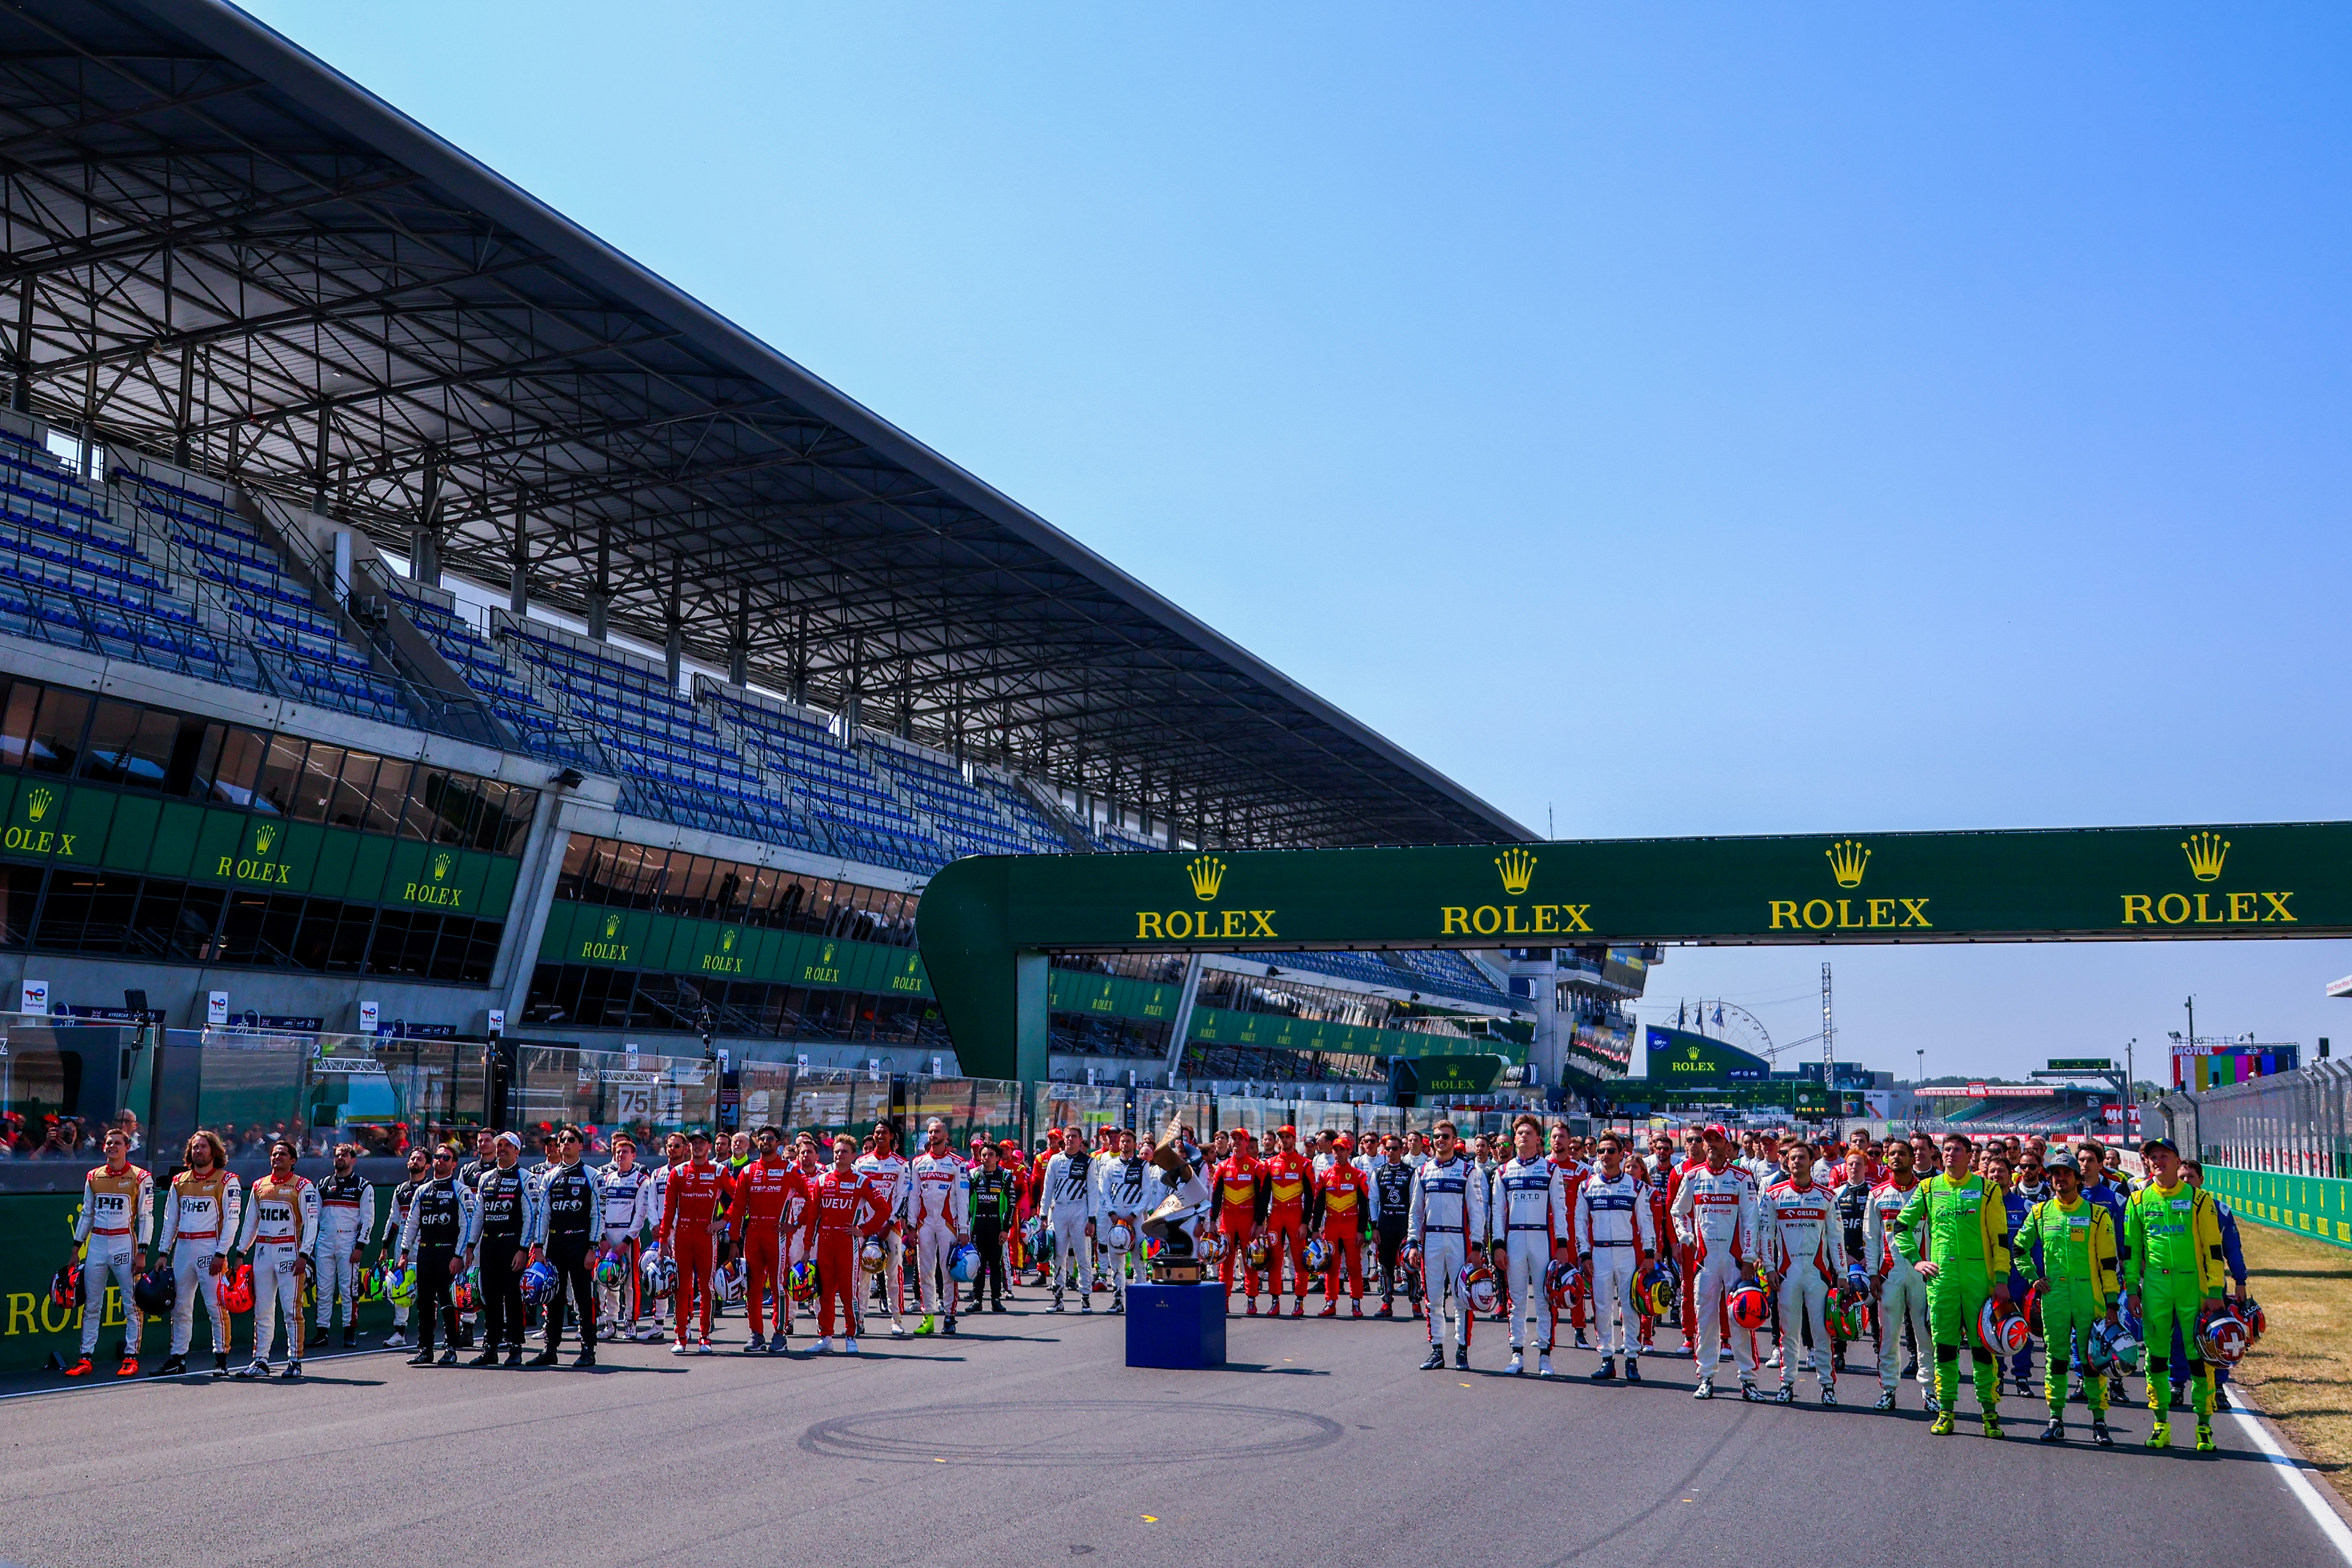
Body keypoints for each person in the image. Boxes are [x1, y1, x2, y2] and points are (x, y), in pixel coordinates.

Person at [1891, 1131, 2012, 1438]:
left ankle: (1990, 1412)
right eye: (1946, 1149)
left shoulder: (1987, 1189)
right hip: (1942, 1281)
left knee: (1983, 1350)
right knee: (1944, 1349)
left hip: (1979, 1283)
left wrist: (2001, 1280)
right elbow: (1901, 1226)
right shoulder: (1929, 1188)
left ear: (1970, 1156)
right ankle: (1946, 1411)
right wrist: (1916, 1260)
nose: (1950, 1154)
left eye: (1957, 1149)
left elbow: (2000, 1239)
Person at [2125, 1138, 2227, 1454]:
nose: (2158, 1161)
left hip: (2192, 1286)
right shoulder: (2138, 1200)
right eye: (2152, 1157)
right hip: (2155, 1286)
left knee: (2199, 1356)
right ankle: (2161, 1424)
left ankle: (2204, 1426)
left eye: (2164, 1156)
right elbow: (2132, 1250)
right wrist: (2131, 1289)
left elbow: (2213, 1248)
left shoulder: (2199, 1199)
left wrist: (2215, 1290)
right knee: (2156, 1357)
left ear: (2178, 1161)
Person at [2013, 1150, 2117, 1446]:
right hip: (2055, 1297)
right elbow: (2019, 1247)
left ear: (2077, 1178)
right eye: (2056, 1174)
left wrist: (2112, 1303)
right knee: (2056, 1360)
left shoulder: (2098, 1214)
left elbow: (2109, 1263)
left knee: (2093, 1361)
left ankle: (2100, 1421)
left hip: (2089, 1298)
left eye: (2066, 1173)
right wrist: (2033, 1278)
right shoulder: (2040, 1213)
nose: (2060, 1178)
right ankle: (2055, 1419)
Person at [1670, 1125, 1760, 1401]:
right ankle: (1706, 1377)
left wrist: (1748, 1258)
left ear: (1727, 1145)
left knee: (1741, 1319)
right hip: (1705, 1261)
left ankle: (1748, 1380)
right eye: (1707, 1139)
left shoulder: (1742, 1177)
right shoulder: (1692, 1176)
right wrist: (1686, 1236)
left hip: (1735, 1261)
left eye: (1715, 1139)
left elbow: (1752, 1219)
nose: (1710, 1144)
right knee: (1705, 1319)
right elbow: (1677, 1211)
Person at [61, 1128, 153, 1379]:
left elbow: (146, 1217)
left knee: (131, 1302)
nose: (112, 1146)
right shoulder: (93, 1176)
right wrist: (76, 1248)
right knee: (92, 1303)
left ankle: (131, 1356)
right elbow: (87, 1214)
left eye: (118, 1143)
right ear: (104, 1147)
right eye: (109, 1143)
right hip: (98, 1244)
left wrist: (142, 1251)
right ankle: (85, 1357)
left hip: (125, 1242)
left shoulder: (141, 1177)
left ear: (127, 1147)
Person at [1757, 1139, 1838, 1406]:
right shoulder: (1774, 1194)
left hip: (1818, 1275)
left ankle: (1827, 1386)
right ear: (1786, 1161)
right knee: (1788, 1333)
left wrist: (1842, 1273)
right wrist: (1770, 1268)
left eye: (1802, 1157)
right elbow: (1766, 1234)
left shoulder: (1827, 1196)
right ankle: (1786, 1383)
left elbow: (1836, 1238)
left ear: (1812, 1161)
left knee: (1821, 1333)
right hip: (1786, 1275)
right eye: (1792, 1158)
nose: (1796, 1162)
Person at [154, 1129, 241, 1377]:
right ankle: (178, 1358)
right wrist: (163, 1252)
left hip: (210, 1248)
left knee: (216, 1305)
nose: (198, 1151)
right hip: (183, 1248)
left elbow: (232, 1221)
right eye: (194, 1147)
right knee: (180, 1307)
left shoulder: (227, 1180)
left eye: (203, 1147)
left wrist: (221, 1253)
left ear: (214, 1150)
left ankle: (221, 1358)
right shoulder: (179, 1181)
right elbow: (170, 1220)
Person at [1490, 1114, 1570, 1376]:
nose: (1523, 1136)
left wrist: (1562, 1244)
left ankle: (1545, 1356)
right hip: (1514, 1240)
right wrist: (1498, 1245)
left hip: (1541, 1239)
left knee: (1545, 1299)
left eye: (1529, 1133)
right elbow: (1498, 1213)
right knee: (1517, 1301)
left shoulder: (1550, 1170)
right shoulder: (1503, 1171)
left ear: (1538, 1140)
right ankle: (1517, 1355)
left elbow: (1560, 1210)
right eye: (1519, 1133)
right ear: (1514, 1139)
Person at [231, 1139, 318, 1380]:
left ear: (293, 1160)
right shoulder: (259, 1185)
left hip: (290, 1251)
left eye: (283, 1154)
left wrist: (304, 1255)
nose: (277, 1157)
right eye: (274, 1154)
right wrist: (241, 1253)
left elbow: (312, 1223)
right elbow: (250, 1222)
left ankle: (295, 1360)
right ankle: (260, 1360)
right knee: (262, 1310)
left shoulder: (303, 1186)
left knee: (291, 1310)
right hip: (262, 1252)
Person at [1406, 1120, 1488, 1371]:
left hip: (1459, 1240)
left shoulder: (1468, 1171)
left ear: (1454, 1140)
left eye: (1445, 1136)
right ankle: (1437, 1350)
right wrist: (1413, 1243)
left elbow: (1477, 1212)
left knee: (1462, 1298)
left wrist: (1477, 1247)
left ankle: (1462, 1349)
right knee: (1433, 1299)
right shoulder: (1423, 1171)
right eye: (1437, 1136)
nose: (1440, 1140)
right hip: (1431, 1240)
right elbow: (1416, 1212)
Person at [1577, 1133, 1658, 1383]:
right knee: (1602, 1307)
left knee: (1630, 1306)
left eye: (1611, 1151)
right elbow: (1580, 1223)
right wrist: (1584, 1254)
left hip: (1626, 1252)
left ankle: (1632, 1358)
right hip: (1599, 1253)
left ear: (1622, 1154)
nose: (1606, 1155)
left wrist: (1649, 1254)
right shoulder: (1586, 1186)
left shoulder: (1636, 1186)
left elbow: (1646, 1223)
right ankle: (1606, 1359)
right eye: (1602, 1151)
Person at [803, 1133, 891, 1353]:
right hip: (824, 1244)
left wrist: (864, 1230)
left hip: (847, 1245)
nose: (840, 1155)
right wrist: (807, 1247)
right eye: (837, 1151)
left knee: (848, 1293)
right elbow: (813, 1216)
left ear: (853, 1155)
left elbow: (884, 1209)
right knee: (824, 1294)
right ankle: (826, 1337)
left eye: (844, 1152)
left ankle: (851, 1336)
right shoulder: (822, 1181)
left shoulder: (862, 1181)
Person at [1864, 1138, 1932, 1412]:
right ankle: (1889, 1390)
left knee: (1925, 1336)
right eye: (1892, 1154)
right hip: (1889, 1275)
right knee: (1889, 1337)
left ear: (1912, 1158)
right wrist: (1872, 1274)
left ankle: (1930, 1391)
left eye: (1902, 1153)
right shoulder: (1877, 1194)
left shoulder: (1927, 1192)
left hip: (1922, 1276)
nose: (1896, 1158)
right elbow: (1871, 1238)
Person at [528, 1125, 605, 1367]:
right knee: (553, 1297)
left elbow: (598, 1214)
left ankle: (588, 1349)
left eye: (572, 1140)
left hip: (581, 1244)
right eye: (563, 1141)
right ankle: (550, 1348)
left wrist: (593, 1248)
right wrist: (539, 1247)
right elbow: (543, 1214)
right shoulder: (550, 1177)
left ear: (581, 1145)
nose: (566, 1144)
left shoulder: (593, 1176)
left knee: (583, 1297)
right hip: (556, 1244)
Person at [728, 1125, 807, 1353]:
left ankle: (780, 1334)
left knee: (779, 1286)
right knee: (751, 1288)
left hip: (777, 1235)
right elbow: (738, 1208)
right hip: (753, 1235)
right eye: (762, 1138)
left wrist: (795, 1224)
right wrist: (733, 1241)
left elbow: (811, 1199)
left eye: (770, 1138)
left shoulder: (790, 1170)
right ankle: (756, 1334)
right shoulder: (748, 1171)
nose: (765, 1141)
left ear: (779, 1142)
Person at [464, 1132, 540, 1368]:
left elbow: (531, 1217)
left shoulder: (526, 1178)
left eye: (508, 1146)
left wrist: (523, 1249)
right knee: (491, 1298)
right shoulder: (486, 1178)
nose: (502, 1149)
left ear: (517, 1151)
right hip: (489, 1245)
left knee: (514, 1298)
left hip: (512, 1245)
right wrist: (470, 1246)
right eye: (500, 1145)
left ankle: (515, 1347)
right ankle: (491, 1348)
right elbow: (478, 1215)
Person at [397, 1143, 473, 1366]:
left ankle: (451, 1348)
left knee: (449, 1303)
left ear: (454, 1164)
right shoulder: (422, 1190)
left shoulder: (461, 1191)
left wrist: (459, 1256)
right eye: (438, 1156)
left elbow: (467, 1226)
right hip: (425, 1252)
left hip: (448, 1253)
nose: (440, 1160)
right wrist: (404, 1252)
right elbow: (411, 1223)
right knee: (424, 1303)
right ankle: (425, 1349)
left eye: (446, 1157)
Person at [2182, 1159, 2249, 1410]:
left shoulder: (2220, 1209)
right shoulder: (2170, 1206)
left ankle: (2219, 1387)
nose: (2186, 1181)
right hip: (2180, 1284)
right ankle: (2177, 1384)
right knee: (2179, 1338)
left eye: (2191, 1176)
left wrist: (2240, 1280)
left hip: (2213, 1286)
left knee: (2217, 1335)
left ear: (2202, 1179)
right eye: (2182, 1177)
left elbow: (2232, 1248)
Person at [660, 1129, 729, 1354]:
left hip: (706, 1236)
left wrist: (724, 1221)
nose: (698, 1146)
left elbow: (739, 1198)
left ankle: (705, 1337)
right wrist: (663, 1240)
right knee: (681, 1287)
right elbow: (669, 1210)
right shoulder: (678, 1172)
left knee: (707, 1288)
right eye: (694, 1142)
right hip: (682, 1236)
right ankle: (681, 1336)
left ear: (709, 1146)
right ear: (689, 1147)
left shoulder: (719, 1171)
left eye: (702, 1143)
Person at [309, 1142, 377, 1352]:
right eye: (338, 1155)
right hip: (325, 1240)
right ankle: (322, 1333)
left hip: (349, 1241)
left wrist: (360, 1247)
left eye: (345, 1155)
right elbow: (314, 1218)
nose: (340, 1159)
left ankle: (349, 1332)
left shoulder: (363, 1186)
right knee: (323, 1289)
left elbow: (368, 1220)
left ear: (353, 1160)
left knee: (349, 1290)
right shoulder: (323, 1184)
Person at [907, 1118, 969, 1335]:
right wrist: (911, 1226)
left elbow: (963, 1197)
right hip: (925, 1224)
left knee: (948, 1271)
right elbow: (913, 1195)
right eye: (931, 1132)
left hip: (948, 1225)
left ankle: (950, 1316)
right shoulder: (918, 1162)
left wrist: (964, 1229)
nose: (933, 1135)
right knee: (925, 1271)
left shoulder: (958, 1163)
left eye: (937, 1132)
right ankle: (928, 1317)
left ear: (946, 1136)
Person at [853, 1123, 912, 1336]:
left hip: (891, 1227)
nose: (880, 1136)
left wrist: (889, 1223)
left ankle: (896, 1319)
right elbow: (856, 1196)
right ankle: (859, 1320)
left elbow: (903, 1197)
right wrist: (864, 1225)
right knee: (862, 1275)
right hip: (864, 1227)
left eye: (884, 1133)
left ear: (892, 1136)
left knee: (893, 1275)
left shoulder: (902, 1164)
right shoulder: (861, 1163)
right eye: (877, 1132)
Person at [595, 1134, 654, 1342]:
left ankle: (631, 1323)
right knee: (608, 1280)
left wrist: (627, 1240)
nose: (621, 1155)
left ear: (634, 1156)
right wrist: (603, 1238)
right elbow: (600, 1210)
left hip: (628, 1237)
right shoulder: (606, 1179)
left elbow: (641, 1214)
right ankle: (610, 1324)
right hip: (608, 1236)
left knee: (631, 1283)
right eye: (618, 1152)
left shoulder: (641, 1180)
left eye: (625, 1152)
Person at [1310, 1129, 1374, 1317]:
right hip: (1331, 1226)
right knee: (1331, 1267)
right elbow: (1318, 1205)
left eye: (1342, 1150)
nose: (1338, 1153)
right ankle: (1330, 1303)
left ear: (1349, 1151)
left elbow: (1364, 1206)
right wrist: (1315, 1229)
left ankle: (1356, 1303)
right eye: (1336, 1150)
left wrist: (1361, 1231)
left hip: (1351, 1226)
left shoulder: (1358, 1175)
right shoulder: (1325, 1175)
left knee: (1354, 1267)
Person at [1041, 1123, 1099, 1313]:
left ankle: (1085, 1298)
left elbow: (1093, 1192)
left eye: (1074, 1136)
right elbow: (1047, 1188)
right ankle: (1058, 1298)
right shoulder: (1055, 1160)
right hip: (1059, 1210)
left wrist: (1092, 1219)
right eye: (1067, 1136)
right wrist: (1043, 1215)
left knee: (1083, 1256)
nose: (1070, 1139)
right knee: (1058, 1256)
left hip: (1079, 1210)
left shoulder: (1088, 1162)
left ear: (1080, 1140)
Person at [1259, 1126, 1315, 1318]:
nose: (1284, 1140)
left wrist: (1305, 1223)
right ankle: (1275, 1301)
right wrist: (1260, 1222)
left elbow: (1311, 1196)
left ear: (1294, 1139)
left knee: (1299, 1260)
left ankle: (1299, 1301)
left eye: (1288, 1137)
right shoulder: (1270, 1163)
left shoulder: (1304, 1164)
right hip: (1275, 1215)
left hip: (1296, 1215)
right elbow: (1264, 1194)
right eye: (1282, 1137)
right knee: (1274, 1260)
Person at [1093, 1127, 1148, 1316]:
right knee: (1116, 1262)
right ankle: (1118, 1300)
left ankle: (1140, 1302)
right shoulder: (1110, 1165)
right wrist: (1112, 1214)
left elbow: (1147, 1193)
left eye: (1128, 1141)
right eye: (1122, 1141)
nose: (1124, 1144)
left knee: (1139, 1262)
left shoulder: (1142, 1165)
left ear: (1135, 1144)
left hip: (1136, 1219)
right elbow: (1103, 1191)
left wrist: (1134, 1214)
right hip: (1115, 1219)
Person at [380, 1148, 430, 1349]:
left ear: (428, 1165)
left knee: (429, 1288)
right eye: (413, 1158)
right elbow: (393, 1219)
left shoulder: (431, 1187)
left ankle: (428, 1333)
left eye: (420, 1159)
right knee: (400, 1286)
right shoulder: (401, 1189)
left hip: (425, 1241)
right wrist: (385, 1246)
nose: (415, 1161)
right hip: (403, 1243)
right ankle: (399, 1332)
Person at [1212, 1130, 1266, 1313]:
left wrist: (1259, 1222)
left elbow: (1262, 1198)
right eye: (1234, 1139)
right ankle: (1224, 1300)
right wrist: (1212, 1220)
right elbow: (1216, 1196)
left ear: (1246, 1142)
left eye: (1240, 1139)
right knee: (1225, 1262)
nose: (1236, 1142)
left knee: (1250, 1261)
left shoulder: (1256, 1167)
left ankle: (1251, 1299)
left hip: (1248, 1221)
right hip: (1228, 1221)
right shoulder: (1223, 1167)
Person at [1368, 1134, 1417, 1318]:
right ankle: (1386, 1303)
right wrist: (1374, 1227)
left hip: (1405, 1225)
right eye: (1387, 1149)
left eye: (1394, 1149)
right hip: (1386, 1226)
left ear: (1402, 1150)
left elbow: (1416, 1203)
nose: (1391, 1152)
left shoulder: (1411, 1172)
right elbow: (1373, 1201)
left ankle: (1415, 1302)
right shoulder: (1378, 1172)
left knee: (1411, 1266)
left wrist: (1415, 1229)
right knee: (1385, 1266)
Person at [967, 1141, 1017, 1312]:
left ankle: (996, 1299)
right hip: (978, 1226)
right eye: (984, 1155)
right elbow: (967, 1203)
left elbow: (1011, 1204)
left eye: (990, 1155)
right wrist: (966, 1227)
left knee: (996, 1265)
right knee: (978, 1264)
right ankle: (977, 1300)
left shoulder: (1005, 1176)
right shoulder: (973, 1175)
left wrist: (1006, 1229)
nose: (987, 1158)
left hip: (997, 1226)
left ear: (997, 1158)